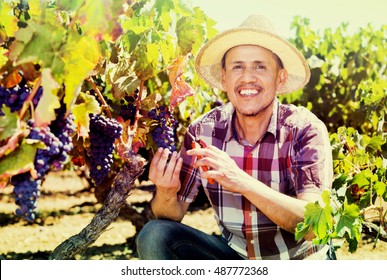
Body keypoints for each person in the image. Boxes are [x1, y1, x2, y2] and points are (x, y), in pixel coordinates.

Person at [136, 14, 334, 260]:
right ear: (224, 77)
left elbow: (315, 226)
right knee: (154, 235)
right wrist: (166, 192)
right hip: (237, 259)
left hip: (301, 261)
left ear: (280, 77)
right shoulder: (202, 133)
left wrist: (240, 180)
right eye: (237, 66)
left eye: (260, 66)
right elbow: (171, 215)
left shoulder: (304, 129)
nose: (247, 77)